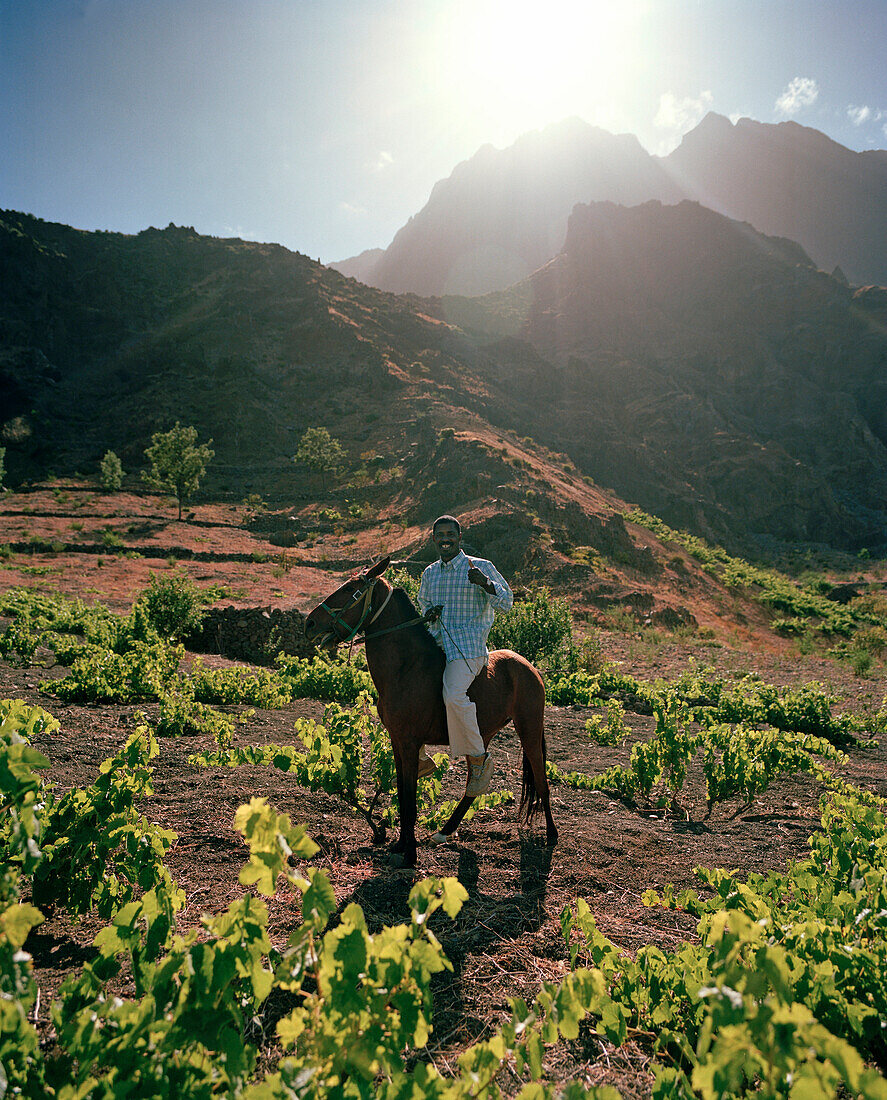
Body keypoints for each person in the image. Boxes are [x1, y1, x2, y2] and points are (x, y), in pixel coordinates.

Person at [416, 514, 513, 796]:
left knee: (454, 694)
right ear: (434, 539)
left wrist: (485, 584)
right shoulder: (430, 573)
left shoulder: (481, 567)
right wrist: (429, 615)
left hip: (468, 648)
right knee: (407, 689)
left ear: (460, 537)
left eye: (450, 534)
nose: (445, 539)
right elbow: (424, 607)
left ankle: (479, 757)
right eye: (440, 535)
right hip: (436, 646)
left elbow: (506, 603)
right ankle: (420, 757)